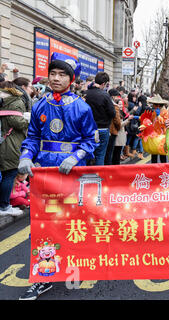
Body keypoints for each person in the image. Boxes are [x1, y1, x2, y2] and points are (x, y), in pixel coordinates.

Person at [18, 52, 98, 300]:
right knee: (42, 225)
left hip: (69, 174)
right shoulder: (41, 104)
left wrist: (76, 157)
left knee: (70, 222)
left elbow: (90, 140)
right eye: (52, 73)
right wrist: (26, 156)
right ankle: (45, 275)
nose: (55, 78)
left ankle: (74, 262)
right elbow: (32, 137)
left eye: (62, 74)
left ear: (71, 79)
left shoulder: (81, 107)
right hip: (43, 175)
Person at [0, 81, 29, 216]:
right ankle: (4, 206)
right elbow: (16, 122)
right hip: (11, 142)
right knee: (10, 173)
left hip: (3, 141)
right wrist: (27, 119)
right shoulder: (15, 101)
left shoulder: (2, 100)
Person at [85, 71, 116, 166]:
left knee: (87, 153)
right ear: (103, 84)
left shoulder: (86, 94)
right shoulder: (105, 95)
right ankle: (98, 176)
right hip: (102, 128)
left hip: (88, 129)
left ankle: (84, 176)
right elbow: (112, 113)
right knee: (100, 155)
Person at [148, 94, 169, 163]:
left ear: (158, 105)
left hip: (162, 136)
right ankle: (153, 170)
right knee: (154, 154)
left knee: (162, 154)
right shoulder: (154, 112)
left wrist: (159, 116)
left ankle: (164, 170)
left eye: (153, 104)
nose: (152, 106)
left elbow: (165, 123)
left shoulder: (165, 112)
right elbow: (151, 122)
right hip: (154, 135)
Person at [104, 89, 123, 165]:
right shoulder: (115, 106)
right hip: (112, 131)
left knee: (105, 152)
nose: (117, 98)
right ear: (112, 96)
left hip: (105, 129)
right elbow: (117, 121)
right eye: (116, 96)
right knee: (109, 152)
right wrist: (118, 128)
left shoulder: (105, 104)